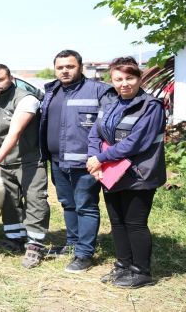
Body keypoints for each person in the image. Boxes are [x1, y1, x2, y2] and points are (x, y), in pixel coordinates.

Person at [87, 57, 166, 288]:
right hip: (111, 172)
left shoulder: (151, 106)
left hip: (139, 174)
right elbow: (95, 133)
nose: (124, 84)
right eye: (118, 79)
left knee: (135, 223)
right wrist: (94, 160)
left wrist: (100, 158)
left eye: (130, 78)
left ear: (140, 78)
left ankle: (141, 272)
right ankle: (123, 265)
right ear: (111, 80)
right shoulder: (110, 102)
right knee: (117, 222)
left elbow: (135, 142)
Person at [39, 50, 113, 273]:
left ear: (80, 67)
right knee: (68, 204)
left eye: (70, 66)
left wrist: (100, 158)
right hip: (57, 161)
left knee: (86, 206)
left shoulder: (99, 90)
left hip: (86, 164)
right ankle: (73, 244)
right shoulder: (51, 91)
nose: (64, 70)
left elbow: (110, 125)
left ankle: (84, 254)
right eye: (60, 67)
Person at [0, 64, 49, 268]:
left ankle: (35, 245)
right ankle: (15, 238)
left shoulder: (26, 99)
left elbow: (15, 133)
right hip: (3, 161)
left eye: (0, 79)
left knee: (35, 200)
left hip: (29, 160)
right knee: (8, 201)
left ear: (10, 78)